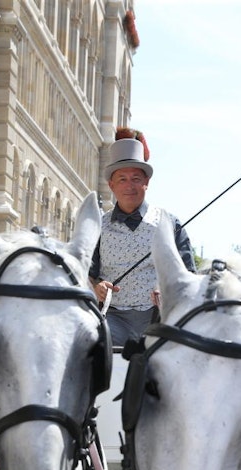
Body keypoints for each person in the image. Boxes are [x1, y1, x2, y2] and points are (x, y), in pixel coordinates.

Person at [90, 128, 196, 346]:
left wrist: (167, 288)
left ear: (146, 182)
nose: (130, 186)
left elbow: (189, 275)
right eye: (122, 179)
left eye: (136, 179)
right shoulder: (97, 226)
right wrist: (96, 287)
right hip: (112, 319)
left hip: (159, 320)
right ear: (111, 185)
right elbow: (86, 273)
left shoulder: (170, 223)